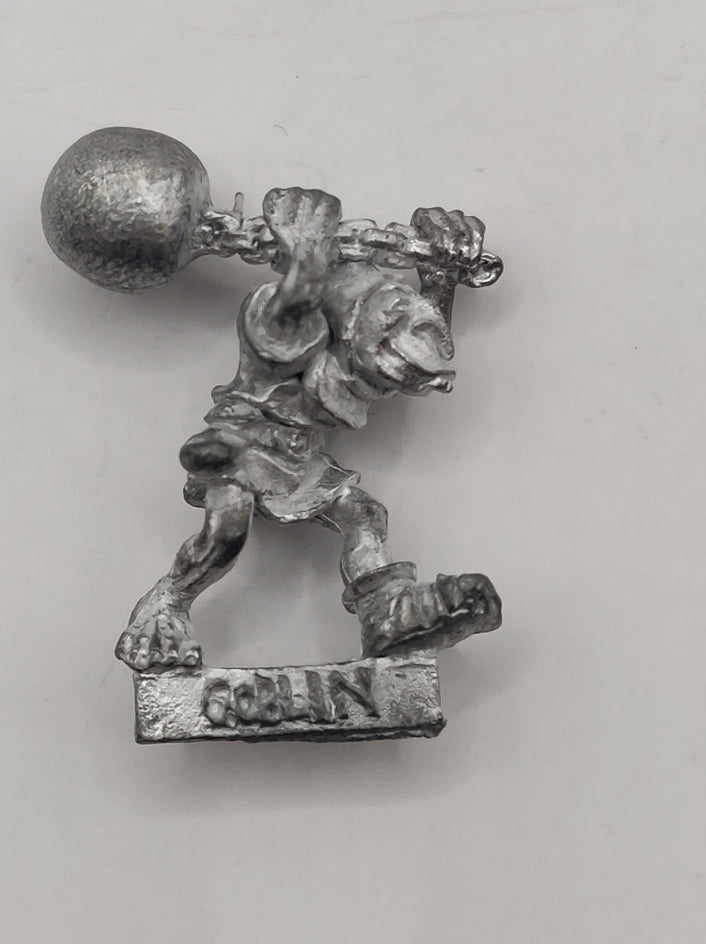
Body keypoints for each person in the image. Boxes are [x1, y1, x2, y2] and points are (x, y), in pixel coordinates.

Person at [115, 187, 501, 671]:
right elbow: (293, 304)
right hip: (242, 446)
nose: (383, 387)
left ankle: (387, 613)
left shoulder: (358, 356)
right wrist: (307, 256)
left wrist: (441, 275)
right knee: (225, 537)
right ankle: (164, 607)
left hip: (299, 459)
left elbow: (412, 348)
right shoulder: (293, 329)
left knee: (364, 516)